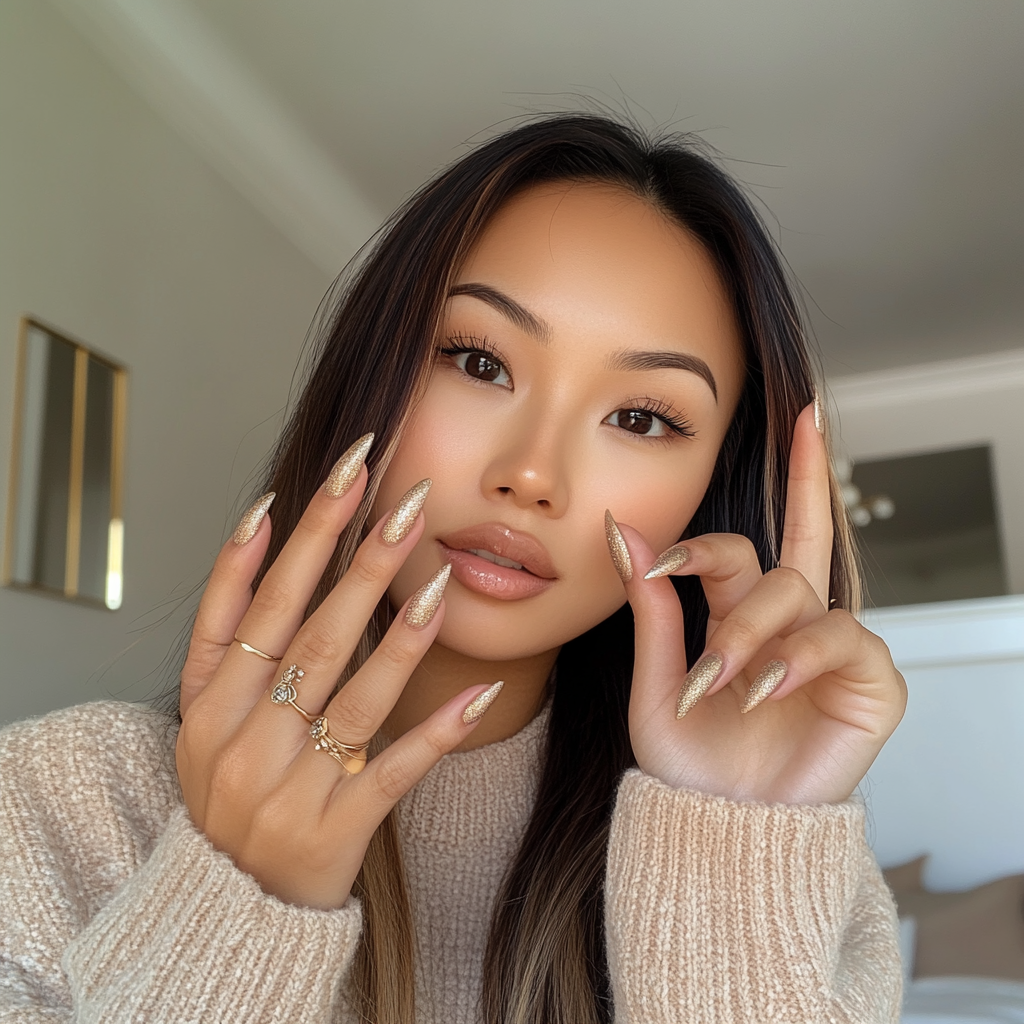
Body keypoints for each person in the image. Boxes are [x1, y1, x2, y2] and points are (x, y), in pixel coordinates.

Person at [0, 114, 907, 1023]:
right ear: (374, 373)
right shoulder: (51, 805)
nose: (531, 474)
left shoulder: (789, 869)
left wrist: (723, 855)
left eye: (642, 418)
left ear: (707, 493)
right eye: (478, 361)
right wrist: (235, 907)